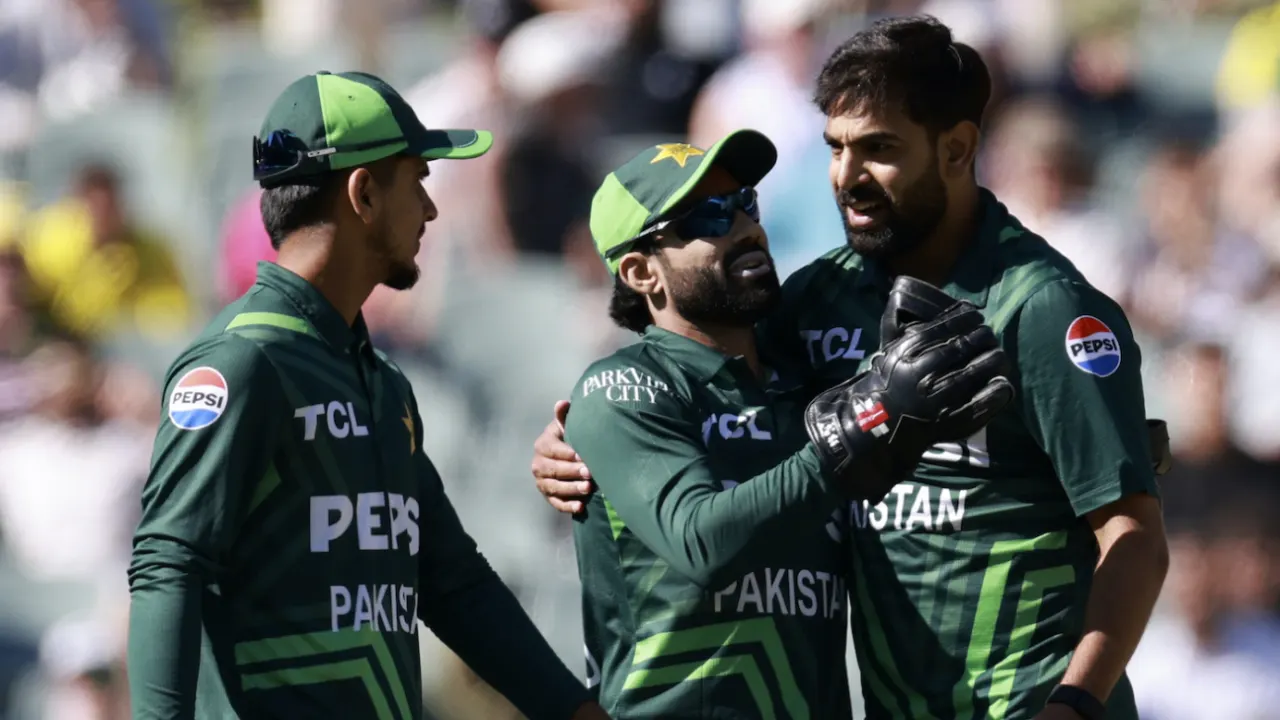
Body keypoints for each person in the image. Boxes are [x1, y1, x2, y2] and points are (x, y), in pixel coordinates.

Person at [531, 16, 1172, 720]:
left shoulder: (1043, 306)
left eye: (879, 149)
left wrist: (1075, 704)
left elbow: (1134, 537)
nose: (847, 178)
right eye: (835, 148)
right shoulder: (815, 299)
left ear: (957, 148)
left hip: (1029, 701)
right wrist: (569, 441)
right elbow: (703, 371)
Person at [127, 70, 608, 720]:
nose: (432, 211)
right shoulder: (242, 364)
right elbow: (168, 565)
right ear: (364, 194)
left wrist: (575, 711)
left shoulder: (381, 383)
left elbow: (453, 582)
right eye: (418, 183)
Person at [564, 128, 1013, 718]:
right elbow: (703, 541)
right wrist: (864, 426)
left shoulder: (805, 387)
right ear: (641, 274)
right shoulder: (624, 389)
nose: (747, 227)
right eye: (708, 218)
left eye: (746, 202)